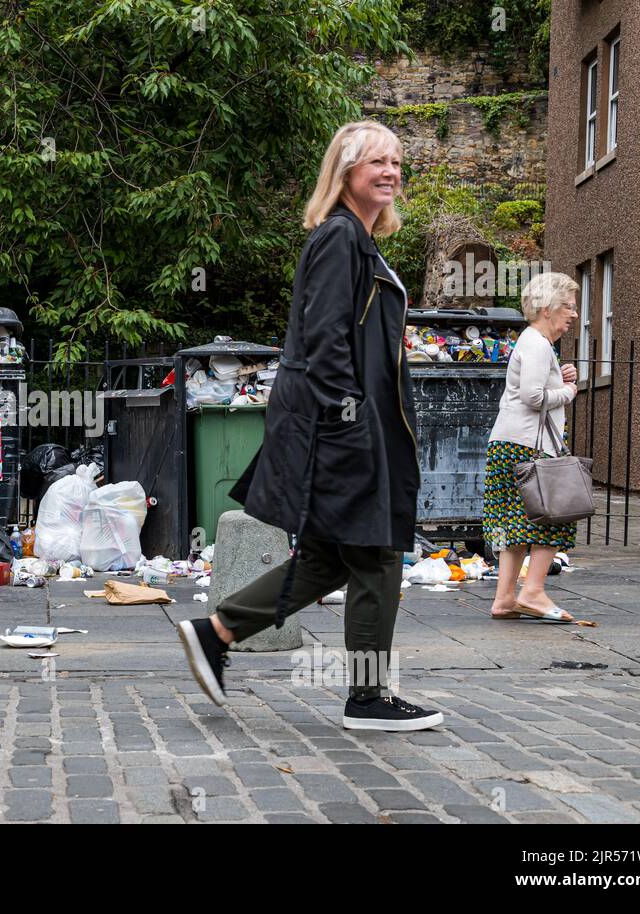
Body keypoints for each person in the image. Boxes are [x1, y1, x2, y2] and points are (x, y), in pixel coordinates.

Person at [177, 120, 443, 731]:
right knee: (377, 551)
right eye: (377, 160)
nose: (391, 171)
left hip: (347, 421)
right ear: (346, 170)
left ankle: (216, 631)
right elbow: (325, 343)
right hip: (345, 423)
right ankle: (368, 698)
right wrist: (352, 424)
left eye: (397, 162)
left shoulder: (358, 241)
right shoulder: (340, 238)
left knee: (329, 556)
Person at [485, 272, 581, 622]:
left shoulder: (532, 342)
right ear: (546, 308)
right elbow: (533, 396)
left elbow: (533, 385)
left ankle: (506, 598)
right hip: (530, 446)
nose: (573, 314)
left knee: (514, 526)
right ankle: (534, 591)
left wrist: (560, 374)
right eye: (568, 307)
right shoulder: (539, 343)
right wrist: (568, 392)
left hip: (510, 443)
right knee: (553, 517)